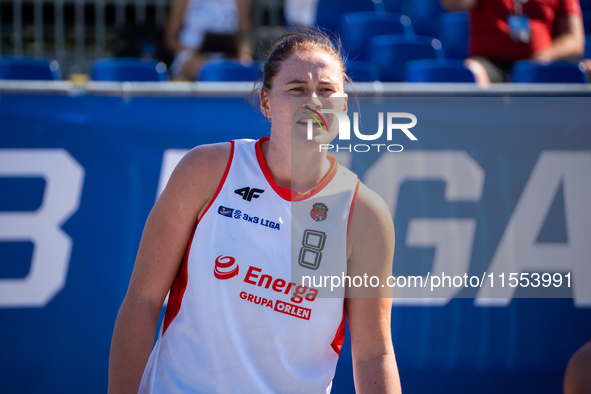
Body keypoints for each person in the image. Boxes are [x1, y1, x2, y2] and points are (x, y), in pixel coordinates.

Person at [108, 28, 402, 393]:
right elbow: (143, 300)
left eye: (326, 91)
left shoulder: (366, 215)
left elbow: (373, 354)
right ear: (265, 102)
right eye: (296, 89)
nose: (313, 101)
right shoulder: (207, 169)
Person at [441, 0, 586, 85]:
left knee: (588, 70)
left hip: (543, 64)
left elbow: (574, 40)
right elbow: (452, 4)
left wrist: (544, 56)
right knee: (471, 71)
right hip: (491, 64)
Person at [164, 0, 251, 80]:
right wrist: (193, 50)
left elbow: (245, 38)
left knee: (245, 65)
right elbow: (171, 40)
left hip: (229, 56)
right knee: (201, 68)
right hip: (191, 55)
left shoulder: (240, 1)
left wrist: (243, 55)